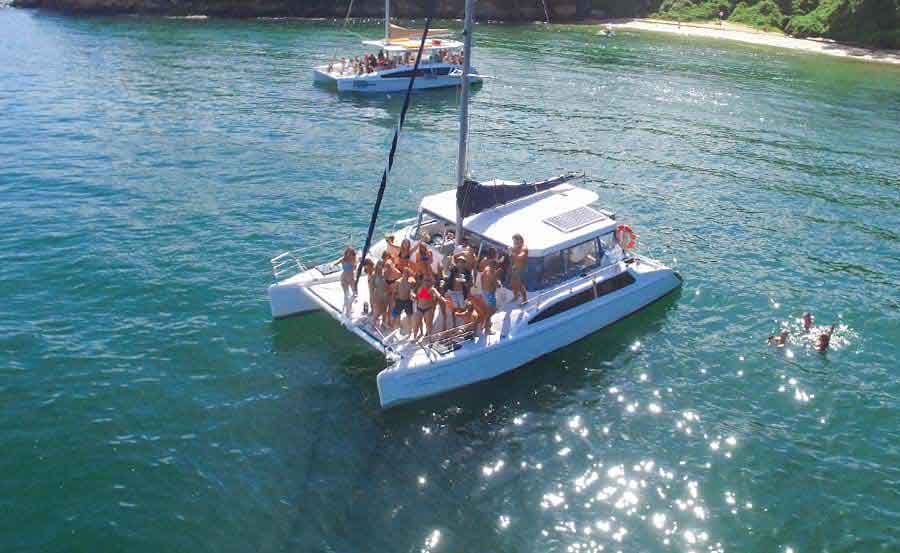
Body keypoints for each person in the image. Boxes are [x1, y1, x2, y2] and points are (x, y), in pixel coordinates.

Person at [412, 274, 443, 340]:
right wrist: (413, 295)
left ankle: (430, 340)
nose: (426, 282)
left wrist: (444, 300)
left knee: (428, 326)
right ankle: (415, 337)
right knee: (416, 325)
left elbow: (438, 295)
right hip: (419, 308)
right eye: (425, 280)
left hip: (428, 309)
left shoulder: (432, 289)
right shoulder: (420, 288)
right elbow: (417, 297)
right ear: (423, 281)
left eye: (428, 280)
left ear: (431, 282)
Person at [391, 267, 416, 333]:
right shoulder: (398, 282)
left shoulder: (411, 281)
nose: (406, 275)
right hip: (399, 300)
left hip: (407, 301)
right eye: (405, 273)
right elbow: (394, 292)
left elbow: (413, 289)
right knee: (397, 315)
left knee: (409, 316)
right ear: (403, 273)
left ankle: (410, 330)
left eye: (408, 273)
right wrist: (393, 301)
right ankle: (398, 327)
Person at [510, 233, 528, 302]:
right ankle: (516, 296)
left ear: (519, 240)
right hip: (515, 268)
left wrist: (512, 253)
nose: (514, 243)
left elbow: (520, 257)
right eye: (514, 241)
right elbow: (513, 254)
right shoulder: (516, 246)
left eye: (515, 241)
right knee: (512, 282)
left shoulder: (524, 248)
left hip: (521, 269)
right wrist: (511, 249)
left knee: (520, 285)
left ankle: (525, 299)